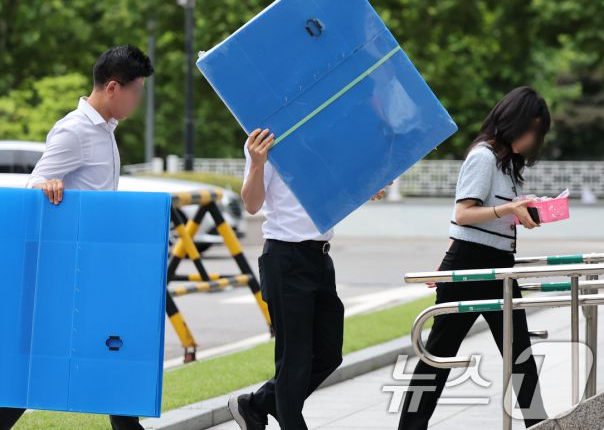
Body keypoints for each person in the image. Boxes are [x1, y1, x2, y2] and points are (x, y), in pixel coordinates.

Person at [0, 44, 154, 430]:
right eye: (137, 90)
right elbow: (35, 186)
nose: (139, 100)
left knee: (102, 350)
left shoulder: (105, 130)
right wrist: (46, 186)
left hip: (94, 267)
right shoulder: (75, 130)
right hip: (72, 272)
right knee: (79, 352)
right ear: (114, 87)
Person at [397, 86, 551, 429]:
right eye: (532, 129)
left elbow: (492, 216)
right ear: (514, 122)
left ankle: (537, 424)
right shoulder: (483, 156)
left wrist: (521, 212)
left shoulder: (508, 165)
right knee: (436, 358)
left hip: (498, 266)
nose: (532, 139)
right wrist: (507, 208)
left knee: (519, 355)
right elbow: (463, 214)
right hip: (469, 266)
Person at [229, 128, 388, 430]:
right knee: (294, 362)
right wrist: (257, 162)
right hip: (285, 258)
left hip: (320, 259)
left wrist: (368, 187)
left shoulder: (325, 137)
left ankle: (257, 404)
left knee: (329, 354)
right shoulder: (265, 141)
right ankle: (281, 414)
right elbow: (251, 204)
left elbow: (333, 192)